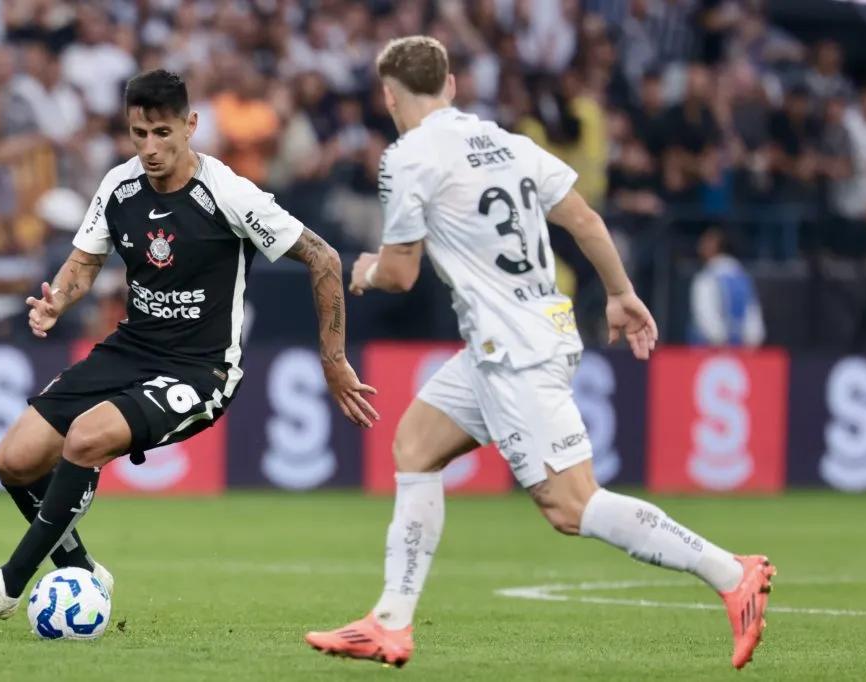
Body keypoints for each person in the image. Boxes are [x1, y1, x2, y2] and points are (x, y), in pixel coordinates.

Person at [304, 37, 775, 671]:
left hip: (513, 349)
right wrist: (620, 293)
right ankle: (390, 623)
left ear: (389, 96)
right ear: (451, 85)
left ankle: (732, 572)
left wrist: (361, 270)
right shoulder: (510, 143)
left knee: (572, 506)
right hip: (525, 331)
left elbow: (400, 272)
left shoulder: (408, 156)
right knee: (415, 446)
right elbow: (585, 220)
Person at [0, 69, 379, 621]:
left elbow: (323, 257)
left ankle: (6, 586)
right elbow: (84, 262)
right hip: (131, 349)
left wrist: (333, 360)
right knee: (13, 460)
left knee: (86, 438)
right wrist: (58, 302)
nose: (149, 148)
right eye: (138, 133)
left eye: (162, 133)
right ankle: (80, 570)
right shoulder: (119, 187)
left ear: (190, 126)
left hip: (200, 370)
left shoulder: (229, 194)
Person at [688, 227, 766, 347]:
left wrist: (720, 340)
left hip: (709, 349)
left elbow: (705, 314)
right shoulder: (743, 277)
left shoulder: (707, 278)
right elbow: (754, 319)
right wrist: (752, 341)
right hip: (741, 349)